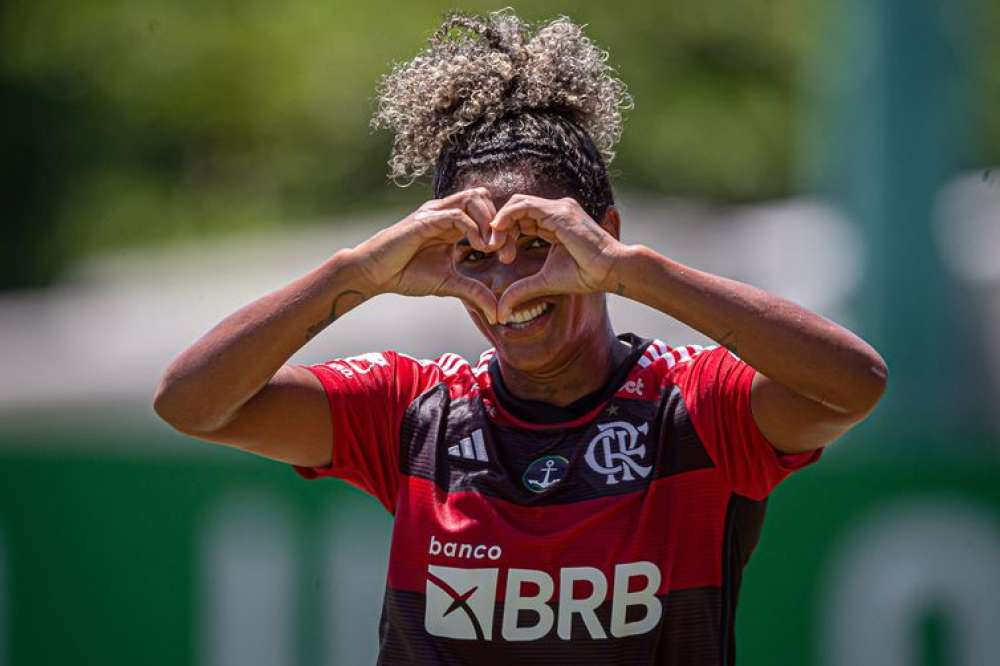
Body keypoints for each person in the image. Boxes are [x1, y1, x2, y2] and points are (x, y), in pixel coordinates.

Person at [154, 10, 887, 665]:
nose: (510, 287)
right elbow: (191, 404)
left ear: (605, 237)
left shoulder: (694, 408)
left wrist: (630, 272)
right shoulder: (413, 412)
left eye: (539, 245)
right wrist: (360, 272)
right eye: (475, 256)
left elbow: (854, 385)